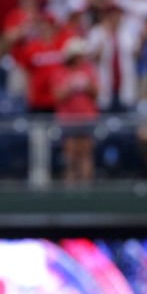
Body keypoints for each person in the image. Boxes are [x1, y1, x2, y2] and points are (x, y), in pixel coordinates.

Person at [53, 39, 99, 185]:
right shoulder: (60, 72)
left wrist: (86, 85)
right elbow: (57, 96)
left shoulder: (88, 70)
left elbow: (96, 93)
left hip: (87, 118)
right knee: (70, 155)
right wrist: (71, 85)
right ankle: (70, 189)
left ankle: (86, 188)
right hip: (68, 120)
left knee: (86, 153)